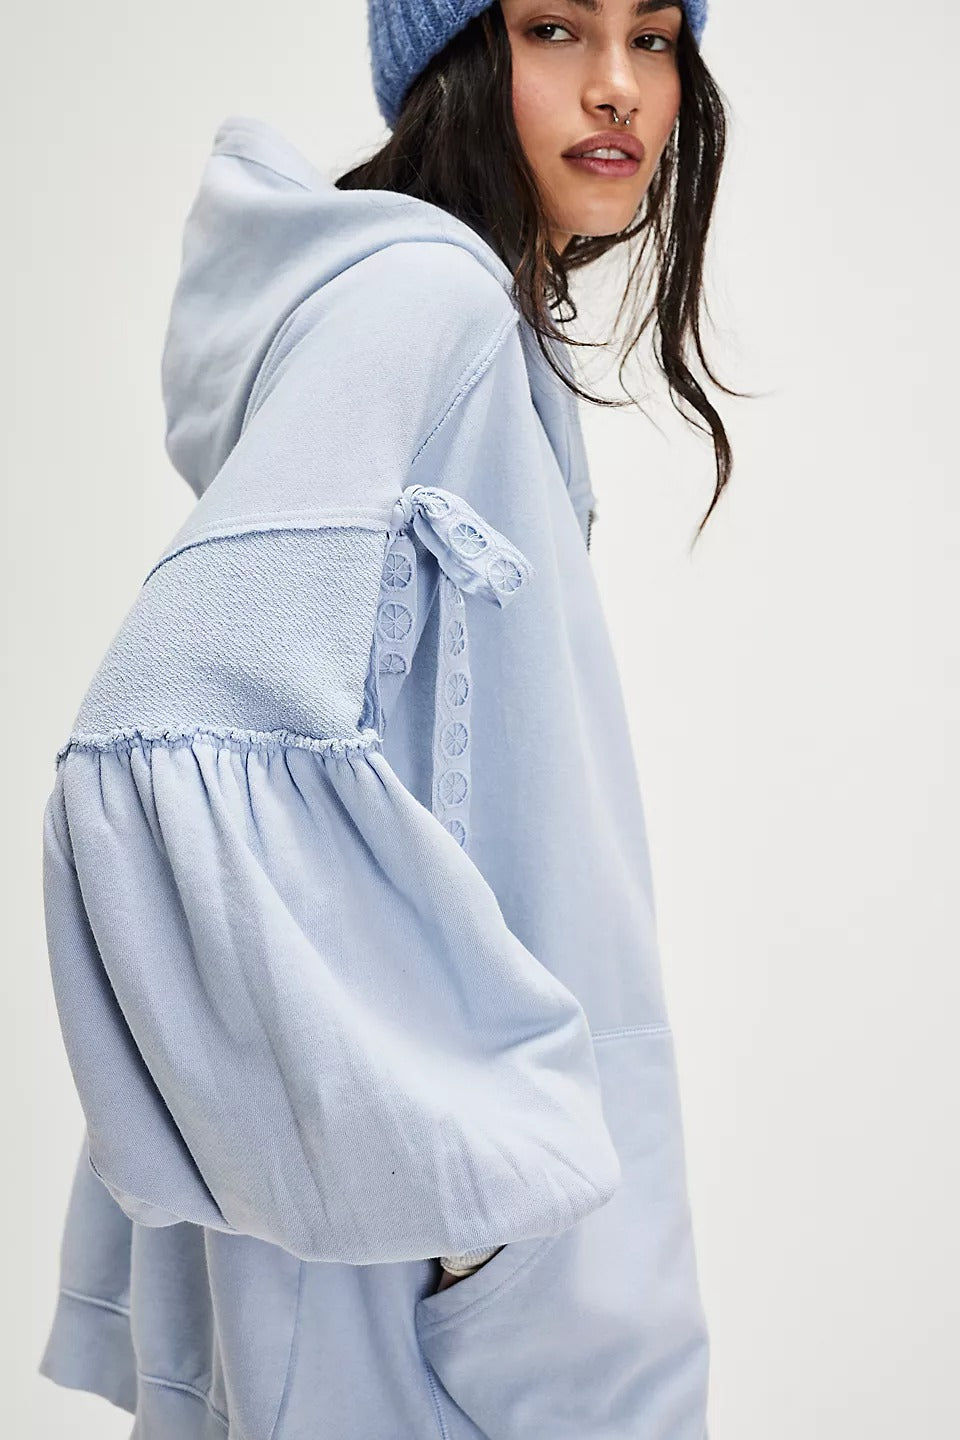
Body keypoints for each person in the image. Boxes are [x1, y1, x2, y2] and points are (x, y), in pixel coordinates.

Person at [38, 1, 732, 1435]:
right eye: (556, 28)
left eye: (655, 37)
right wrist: (476, 1201)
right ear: (454, 56)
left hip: (427, 1275)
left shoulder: (450, 319)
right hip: (440, 1310)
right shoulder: (421, 308)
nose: (618, 86)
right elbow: (169, 735)